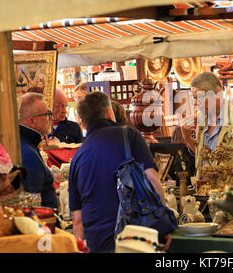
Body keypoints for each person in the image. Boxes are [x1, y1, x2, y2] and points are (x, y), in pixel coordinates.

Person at [68, 91, 170, 253]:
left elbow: (78, 221)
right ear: (109, 112)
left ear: (83, 123)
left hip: (97, 243)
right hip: (134, 239)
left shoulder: (77, 158)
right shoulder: (129, 135)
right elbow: (152, 179)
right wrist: (162, 225)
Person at [180, 72, 233, 185]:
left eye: (201, 97)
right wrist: (187, 137)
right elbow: (203, 158)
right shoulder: (201, 119)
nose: (196, 103)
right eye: (195, 98)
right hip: (202, 195)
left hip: (229, 198)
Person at [17, 93, 58, 209]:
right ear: (32, 121)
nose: (51, 118)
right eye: (47, 114)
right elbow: (33, 206)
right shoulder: (28, 154)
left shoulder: (25, 144)